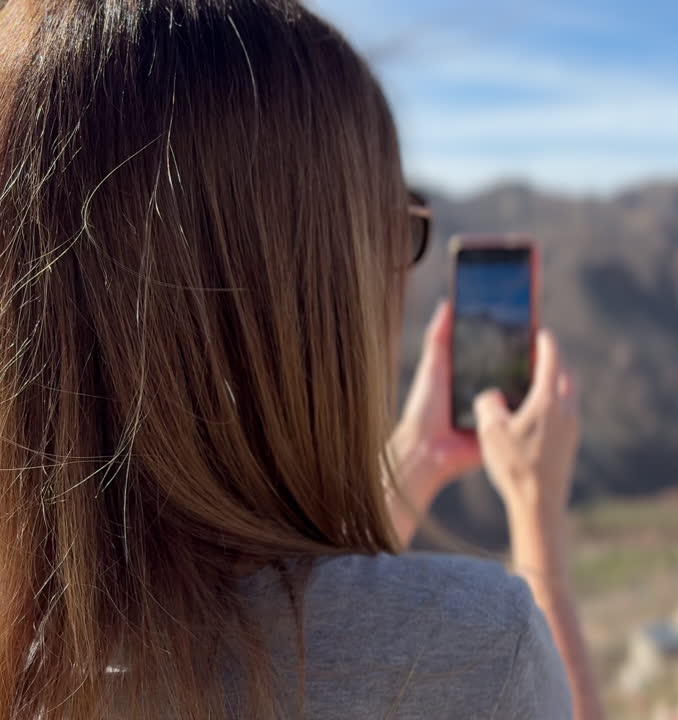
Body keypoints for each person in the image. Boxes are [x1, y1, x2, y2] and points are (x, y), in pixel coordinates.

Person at [0, 0, 602, 718]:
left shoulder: (33, 656)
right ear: (321, 293)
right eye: (393, 227)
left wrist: (416, 461)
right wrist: (536, 517)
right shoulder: (472, 649)